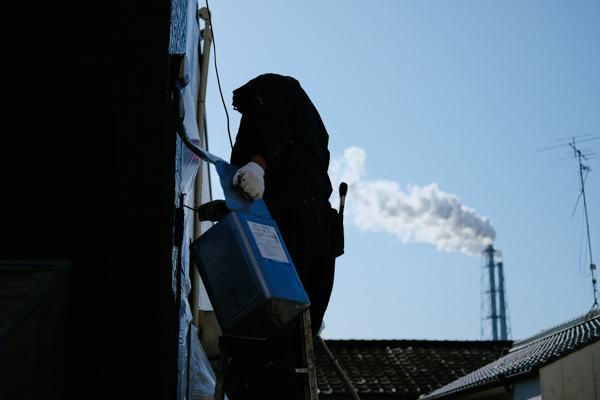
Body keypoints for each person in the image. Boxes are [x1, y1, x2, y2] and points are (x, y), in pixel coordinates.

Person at [224, 73, 341, 400]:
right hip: (320, 223)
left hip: (288, 209)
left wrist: (257, 165)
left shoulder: (271, 88)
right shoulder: (313, 126)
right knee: (296, 331)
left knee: (269, 322)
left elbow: (269, 126)